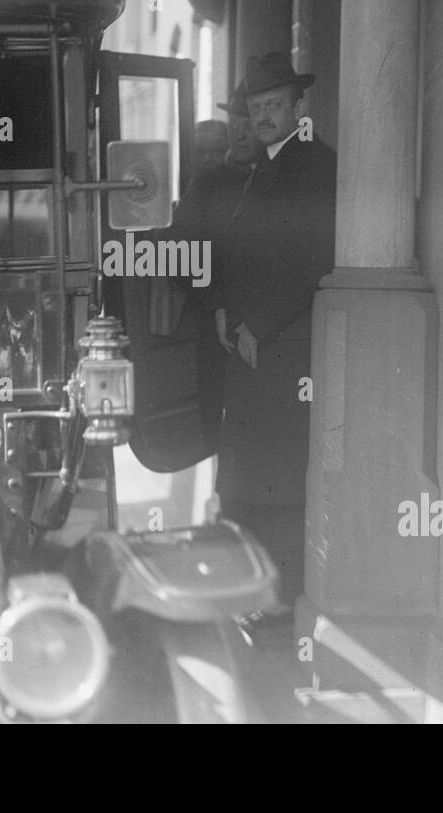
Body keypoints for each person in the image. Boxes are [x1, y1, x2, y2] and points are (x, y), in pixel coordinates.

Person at [215, 52, 337, 615]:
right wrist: (225, 312)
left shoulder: (313, 166)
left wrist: (257, 324)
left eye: (274, 105)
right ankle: (252, 593)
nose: (263, 115)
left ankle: (281, 599)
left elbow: (311, 257)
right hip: (250, 347)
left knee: (280, 479)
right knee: (248, 476)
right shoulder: (260, 169)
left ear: (298, 106)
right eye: (256, 107)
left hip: (283, 347)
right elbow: (240, 256)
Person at [167, 90, 261, 451]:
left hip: (274, 327)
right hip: (218, 329)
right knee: (219, 427)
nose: (243, 132)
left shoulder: (275, 179)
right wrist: (216, 301)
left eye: (248, 124)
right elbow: (174, 253)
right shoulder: (207, 185)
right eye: (237, 123)